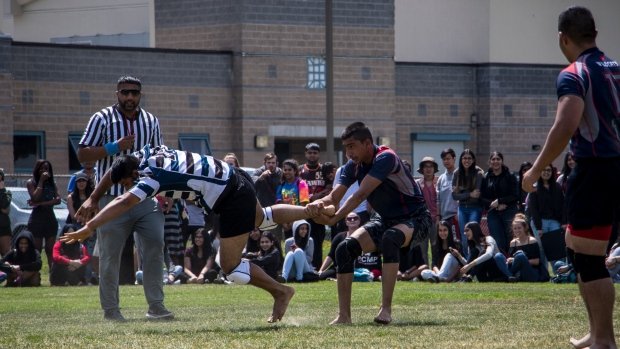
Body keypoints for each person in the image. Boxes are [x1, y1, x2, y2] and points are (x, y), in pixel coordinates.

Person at [61, 144, 334, 323]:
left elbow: (123, 202)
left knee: (229, 266)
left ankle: (280, 291)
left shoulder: (151, 175)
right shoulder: (145, 152)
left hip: (230, 197)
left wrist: (89, 226)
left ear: (135, 173)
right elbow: (116, 169)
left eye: (130, 182)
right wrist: (95, 197)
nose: (131, 187)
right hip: (235, 177)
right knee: (262, 217)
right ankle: (309, 211)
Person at [521, 7, 619, 348]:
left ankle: (604, 340)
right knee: (578, 250)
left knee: (590, 259)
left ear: (563, 38)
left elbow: (565, 125)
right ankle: (596, 332)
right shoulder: (615, 69)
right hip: (610, 169)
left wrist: (534, 170)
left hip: (595, 170)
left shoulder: (574, 73)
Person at [307, 121, 431, 325]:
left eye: (351, 146)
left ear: (367, 143)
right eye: (345, 147)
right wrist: (316, 206)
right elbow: (333, 197)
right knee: (344, 249)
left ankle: (386, 309)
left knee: (390, 239)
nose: (348, 153)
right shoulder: (351, 166)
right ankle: (344, 316)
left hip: (416, 218)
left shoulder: (386, 157)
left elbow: (360, 194)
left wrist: (335, 218)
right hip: (384, 219)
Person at [76, 75, 170, 322]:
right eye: (125, 92)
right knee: (109, 256)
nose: (130, 97)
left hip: (145, 199)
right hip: (111, 199)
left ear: (140, 95)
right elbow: (82, 153)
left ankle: (156, 306)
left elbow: (160, 157)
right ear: (116, 93)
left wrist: (164, 193)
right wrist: (113, 147)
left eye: (134, 93)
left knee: (154, 248)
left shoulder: (151, 121)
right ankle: (111, 310)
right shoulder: (102, 118)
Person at [480, 151, 519, 254]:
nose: (495, 161)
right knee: (498, 241)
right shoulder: (486, 177)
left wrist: (501, 201)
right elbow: (482, 197)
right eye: (493, 159)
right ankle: (502, 264)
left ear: (502, 161)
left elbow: (515, 195)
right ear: (489, 162)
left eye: (498, 159)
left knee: (511, 239)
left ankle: (513, 263)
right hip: (493, 213)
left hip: (509, 211)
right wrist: (495, 204)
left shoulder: (510, 176)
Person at [26, 159, 61, 270]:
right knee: (37, 248)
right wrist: (41, 181)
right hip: (37, 219)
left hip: (50, 218)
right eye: (41, 168)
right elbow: (35, 197)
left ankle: (53, 273)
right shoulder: (31, 182)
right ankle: (35, 273)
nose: (44, 171)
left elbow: (58, 200)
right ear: (37, 170)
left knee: (50, 248)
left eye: (46, 169)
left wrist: (40, 203)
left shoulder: (52, 183)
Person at [299, 143, 328, 270]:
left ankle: (317, 268)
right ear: (305, 154)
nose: (312, 155)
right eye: (310, 153)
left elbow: (330, 187)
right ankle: (303, 266)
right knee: (302, 239)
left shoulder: (324, 169)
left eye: (315, 153)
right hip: (304, 210)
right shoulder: (300, 170)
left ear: (319, 154)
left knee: (318, 240)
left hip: (319, 210)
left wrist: (316, 197)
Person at [493, 214, 546, 282]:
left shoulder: (532, 241)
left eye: (519, 228)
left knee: (520, 256)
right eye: (515, 228)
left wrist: (519, 260)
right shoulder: (513, 242)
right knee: (498, 256)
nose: (517, 230)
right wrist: (510, 260)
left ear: (525, 228)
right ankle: (510, 276)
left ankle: (507, 277)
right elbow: (511, 260)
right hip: (517, 271)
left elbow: (537, 262)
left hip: (531, 272)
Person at [452, 149, 484, 259]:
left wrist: (462, 191)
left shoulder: (479, 173)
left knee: (473, 234)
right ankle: (467, 259)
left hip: (475, 208)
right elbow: (454, 196)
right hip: (462, 208)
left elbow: (477, 195)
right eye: (464, 158)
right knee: (464, 234)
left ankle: (475, 258)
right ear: (461, 160)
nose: (467, 160)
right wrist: (469, 193)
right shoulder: (457, 173)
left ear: (473, 160)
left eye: (469, 158)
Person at [318, 211, 362, 280]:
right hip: (338, 268)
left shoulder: (364, 237)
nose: (352, 220)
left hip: (358, 269)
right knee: (321, 277)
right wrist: (321, 270)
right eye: (349, 219)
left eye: (355, 218)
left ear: (359, 221)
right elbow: (331, 256)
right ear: (346, 222)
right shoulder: (339, 237)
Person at [253, 153, 283, 240]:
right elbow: (252, 187)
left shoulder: (280, 173)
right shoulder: (258, 172)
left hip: (275, 209)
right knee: (261, 237)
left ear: (277, 163)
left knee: (276, 237)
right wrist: (261, 178)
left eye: (273, 163)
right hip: (262, 209)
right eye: (269, 162)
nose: (271, 165)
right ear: (264, 163)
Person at [415, 156, 439, 265]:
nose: (428, 169)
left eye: (431, 166)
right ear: (422, 169)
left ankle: (435, 270)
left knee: (436, 247)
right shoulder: (417, 183)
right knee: (422, 248)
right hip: (422, 221)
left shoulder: (439, 181)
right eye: (425, 167)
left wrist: (439, 217)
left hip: (436, 220)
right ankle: (424, 272)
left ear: (434, 169)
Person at [436, 148, 460, 249]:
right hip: (444, 219)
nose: (446, 161)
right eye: (444, 159)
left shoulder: (460, 175)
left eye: (448, 158)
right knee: (445, 246)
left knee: (457, 243)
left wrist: (458, 214)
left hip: (456, 217)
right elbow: (438, 200)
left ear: (454, 159)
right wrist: (438, 217)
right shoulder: (441, 178)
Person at [0, 169, 12, 256]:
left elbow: (5, 206)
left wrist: (1, 190)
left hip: (3, 226)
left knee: (6, 254)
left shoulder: (7, 193)